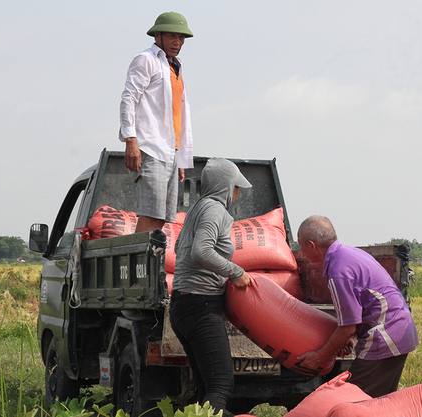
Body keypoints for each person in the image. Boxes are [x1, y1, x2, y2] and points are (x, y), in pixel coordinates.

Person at [296, 215, 419, 398]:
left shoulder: (338, 272)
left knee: (354, 401)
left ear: (312, 245)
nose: (301, 252)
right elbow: (362, 308)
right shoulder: (349, 254)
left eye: (301, 246)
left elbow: (347, 327)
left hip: (385, 335)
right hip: (400, 331)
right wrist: (353, 336)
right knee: (381, 403)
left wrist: (321, 356)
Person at [169, 158, 252, 413]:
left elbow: (178, 248)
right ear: (226, 186)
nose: (237, 194)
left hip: (183, 305)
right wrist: (235, 271)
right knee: (221, 385)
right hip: (200, 305)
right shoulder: (215, 209)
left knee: (207, 388)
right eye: (236, 187)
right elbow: (200, 251)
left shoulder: (197, 208)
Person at [119, 12, 194, 233]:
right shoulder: (146, 60)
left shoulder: (176, 65)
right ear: (157, 35)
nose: (177, 42)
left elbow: (178, 114)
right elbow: (128, 99)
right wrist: (131, 140)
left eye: (181, 38)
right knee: (151, 214)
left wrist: (179, 158)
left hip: (169, 151)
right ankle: (140, 267)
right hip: (150, 147)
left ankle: (153, 265)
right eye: (172, 36)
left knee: (162, 219)